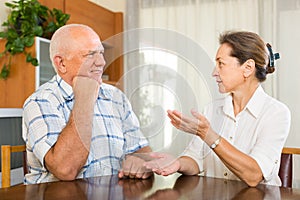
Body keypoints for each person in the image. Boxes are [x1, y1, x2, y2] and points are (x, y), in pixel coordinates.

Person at [144, 31, 291, 187]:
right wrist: (177, 163)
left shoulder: (276, 113)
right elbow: (195, 160)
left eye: (221, 64)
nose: (214, 73)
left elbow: (254, 175)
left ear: (247, 68)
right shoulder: (212, 109)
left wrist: (208, 135)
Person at [22, 24, 152, 184]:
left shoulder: (115, 96)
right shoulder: (40, 102)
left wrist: (141, 162)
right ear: (61, 63)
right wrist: (84, 98)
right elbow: (65, 169)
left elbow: (141, 148)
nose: (101, 62)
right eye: (90, 55)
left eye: (101, 53)